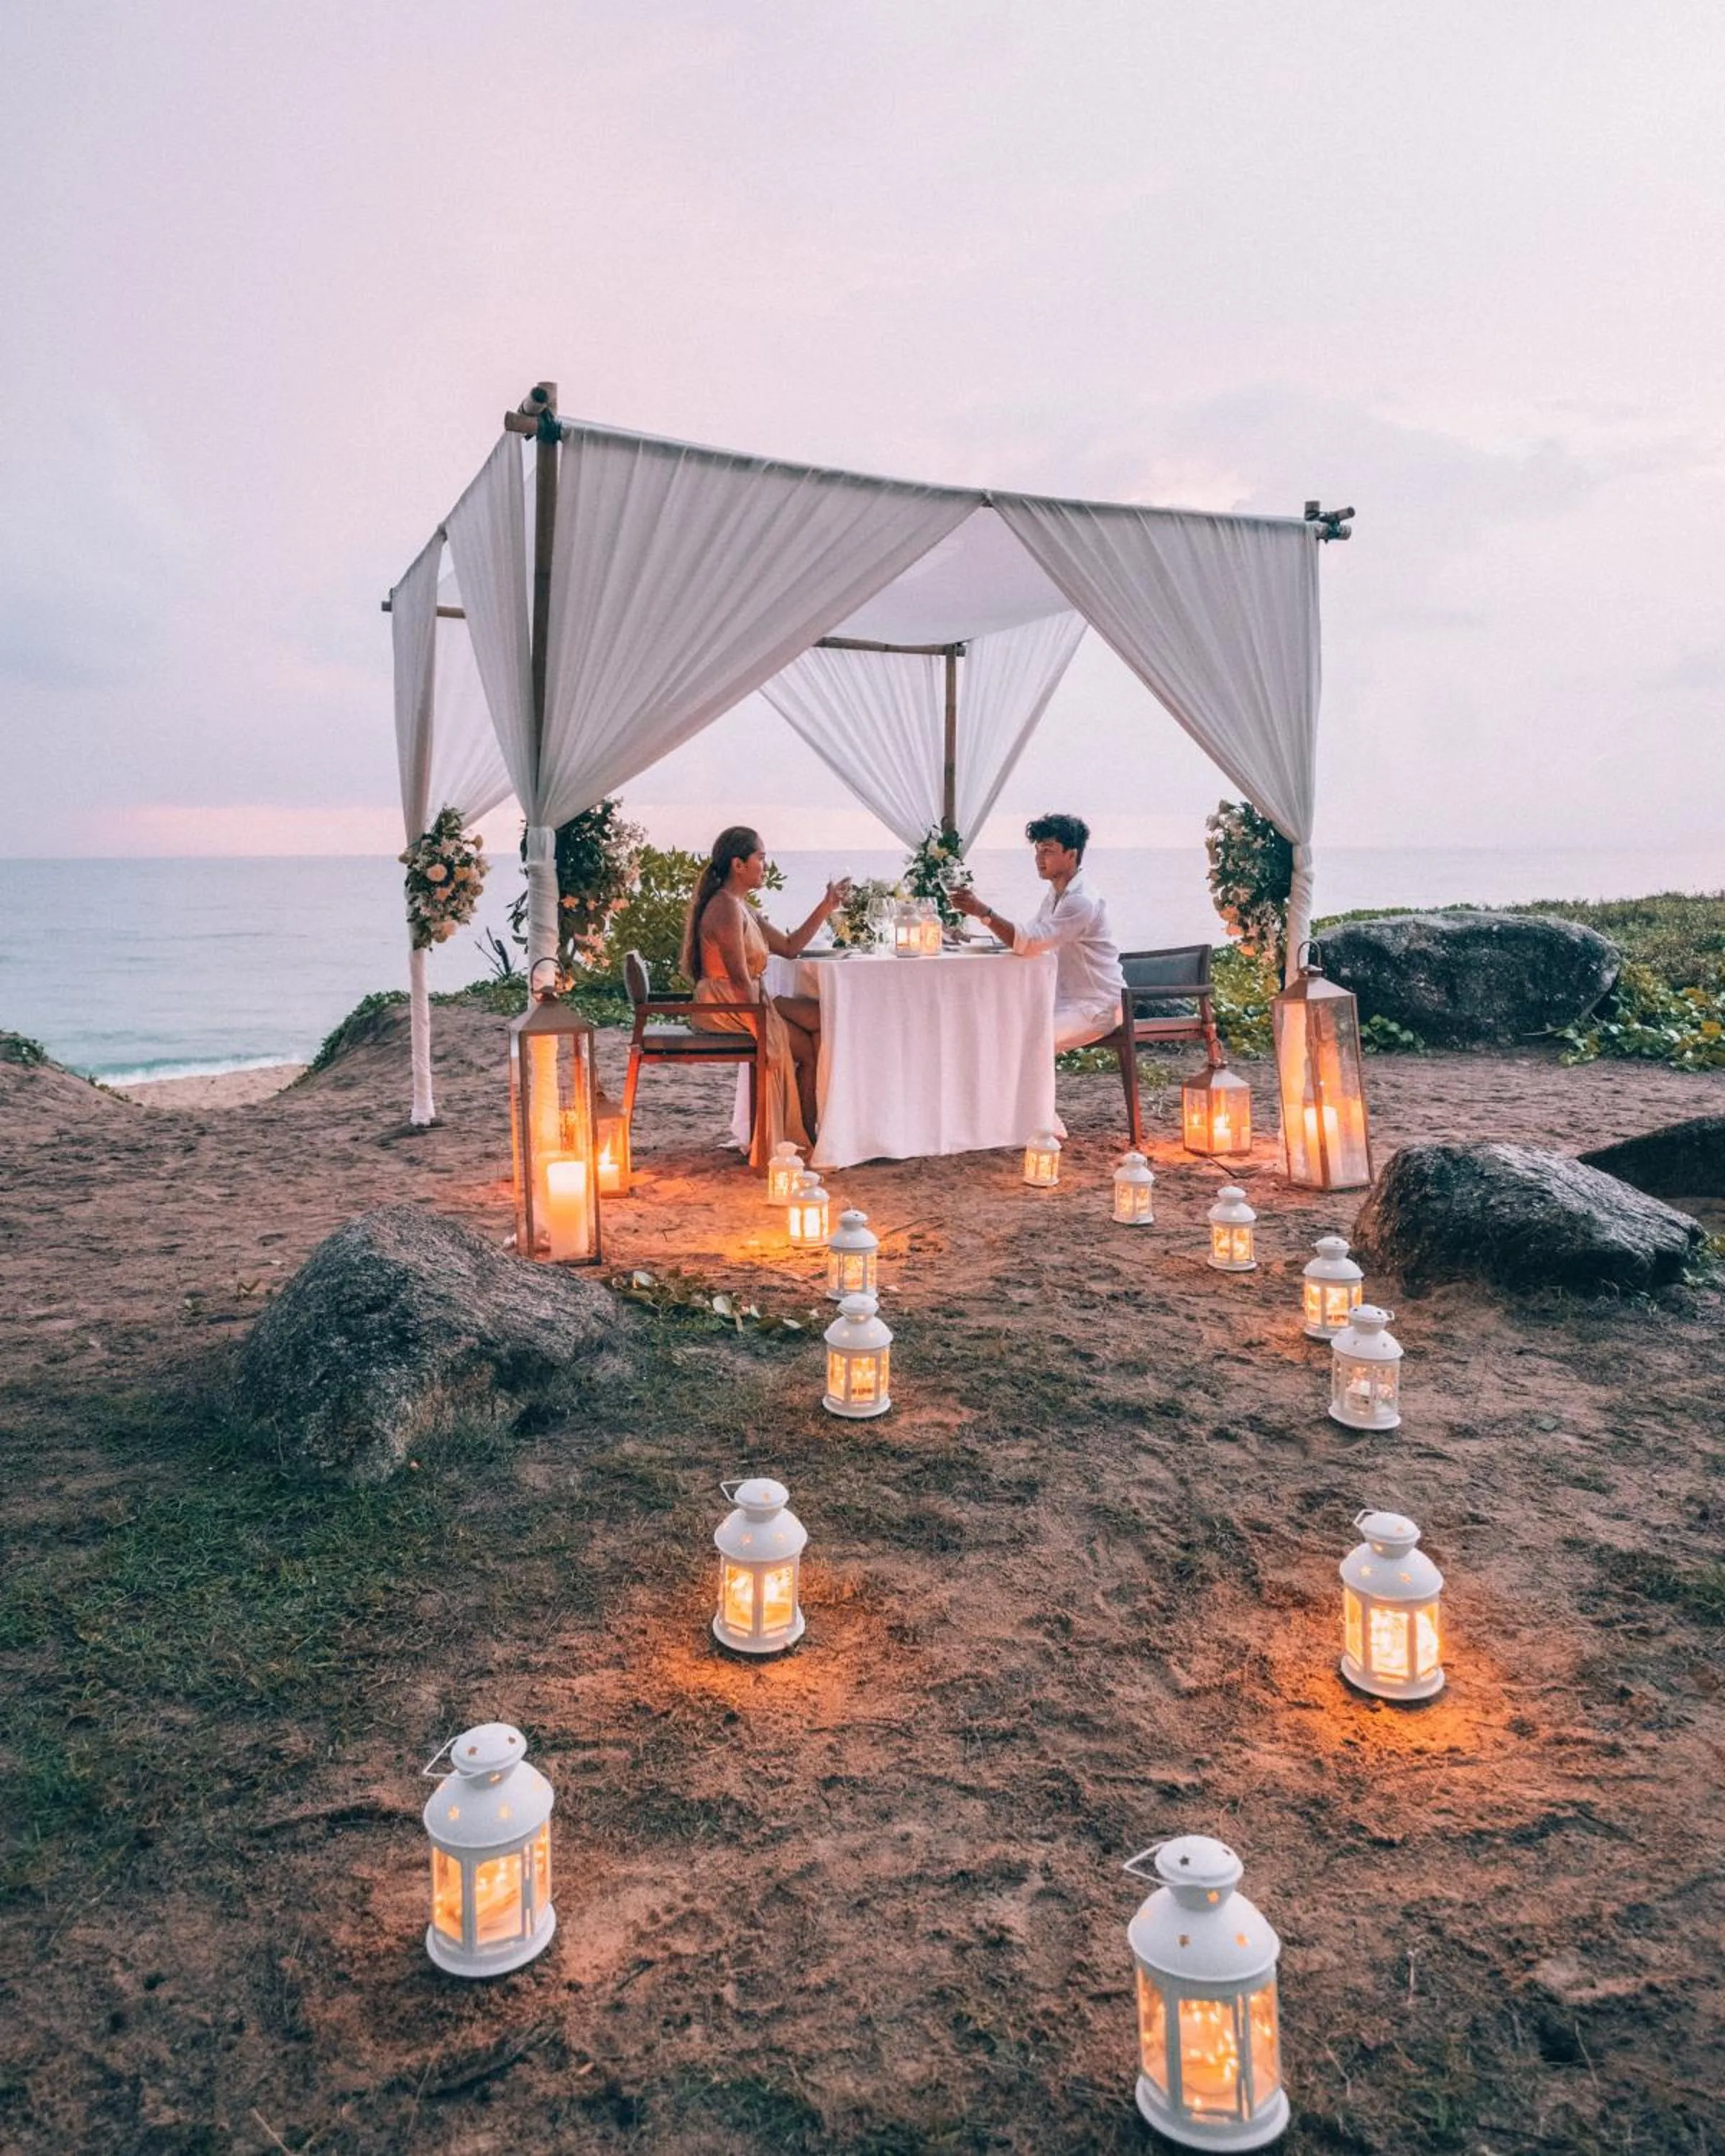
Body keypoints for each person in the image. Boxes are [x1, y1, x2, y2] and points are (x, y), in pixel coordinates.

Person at [680, 826, 850, 1161]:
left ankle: (807, 1127)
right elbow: (740, 980)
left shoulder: (743, 906)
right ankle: (802, 1133)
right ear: (738, 864)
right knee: (810, 1049)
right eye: (761, 858)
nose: (765, 866)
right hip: (728, 1003)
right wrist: (763, 1030)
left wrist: (826, 906)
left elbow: (790, 947)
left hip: (749, 997)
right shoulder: (725, 908)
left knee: (822, 1019)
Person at [951, 812, 1126, 1051]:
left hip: (1097, 1008)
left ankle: (1030, 1091)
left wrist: (983, 912)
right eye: (1037, 851)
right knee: (995, 1026)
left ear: (1071, 855)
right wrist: (972, 937)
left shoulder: (1081, 901)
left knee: (1027, 1040)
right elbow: (1026, 935)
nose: (1039, 859)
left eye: (1048, 851)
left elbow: (1030, 943)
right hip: (1063, 1002)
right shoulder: (1056, 895)